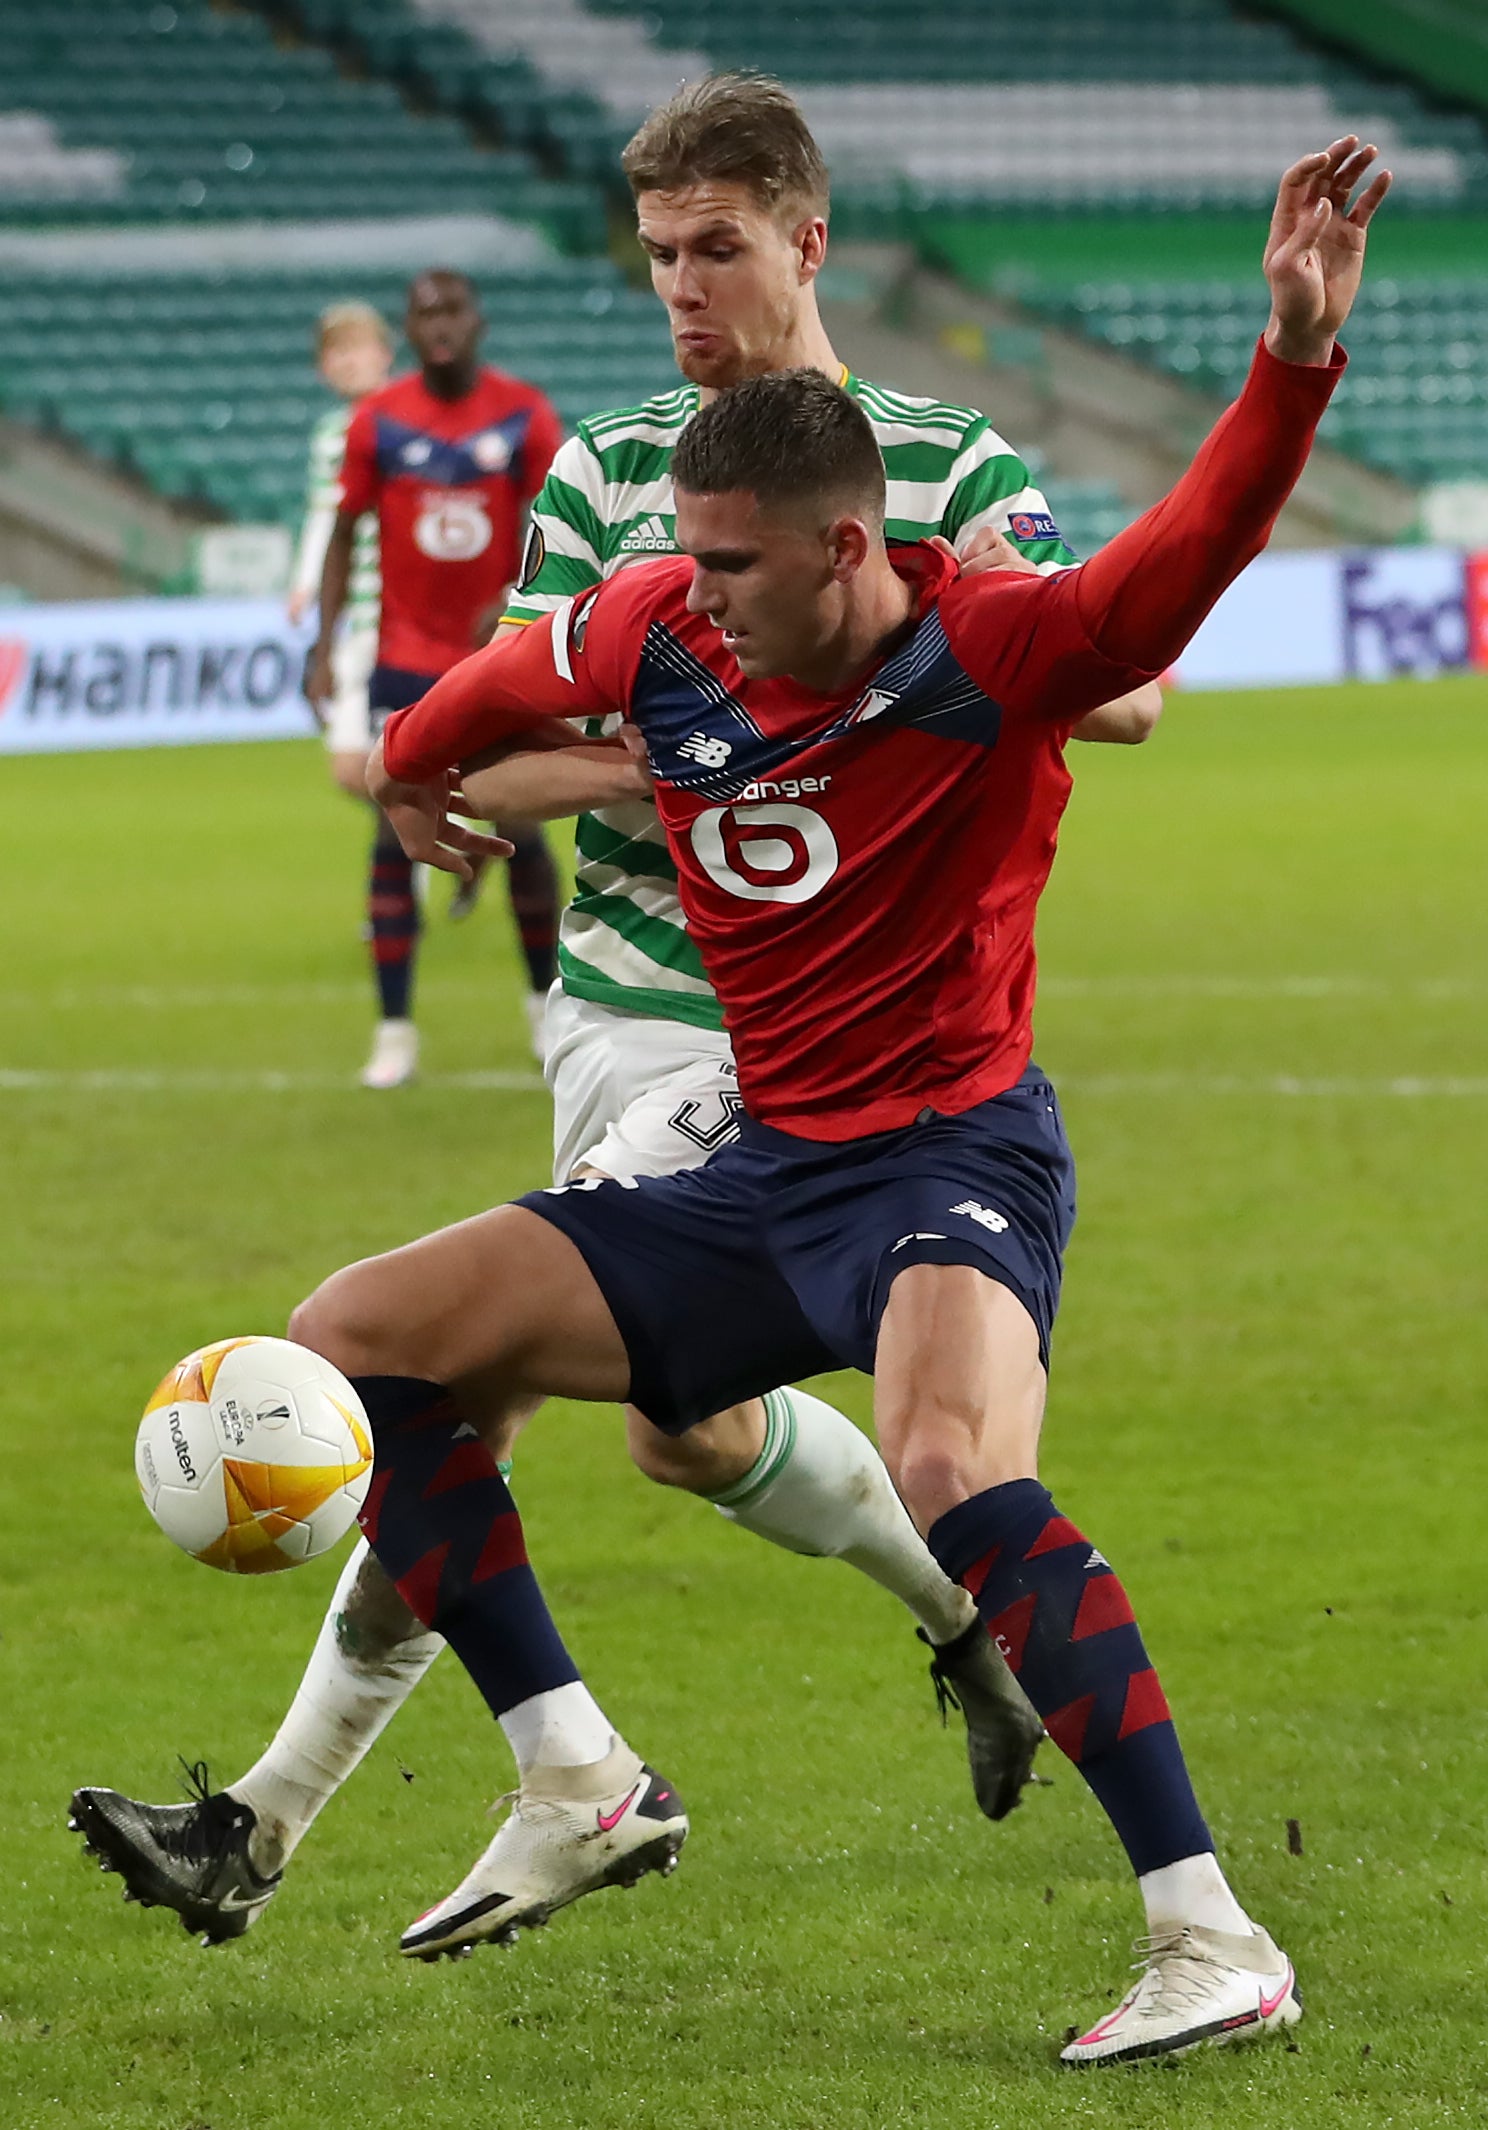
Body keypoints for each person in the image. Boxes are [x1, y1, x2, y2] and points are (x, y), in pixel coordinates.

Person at [288, 138, 1383, 2059]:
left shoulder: (987, 651)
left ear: (845, 548)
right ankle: (569, 1766)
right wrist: (405, 762)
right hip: (755, 1174)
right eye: (680, 562)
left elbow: (1179, 568)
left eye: (728, 566)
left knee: (957, 1471)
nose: (689, 602)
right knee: (356, 1338)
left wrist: (1290, 357)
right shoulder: (659, 624)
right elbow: (488, 689)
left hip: (943, 1163)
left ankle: (1210, 1937)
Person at [67, 76, 1157, 1952]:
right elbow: (509, 750)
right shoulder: (612, 470)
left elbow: (1109, 693)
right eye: (655, 253)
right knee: (685, 1435)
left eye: (712, 248)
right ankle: (953, 1611)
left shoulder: (946, 459)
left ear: (804, 242)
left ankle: (330, 1813)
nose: (678, 288)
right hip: (612, 1004)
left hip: (782, 1033)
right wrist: (714, 754)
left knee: (440, 1380)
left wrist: (757, 744)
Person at [308, 268, 565, 1087]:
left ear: (477, 320)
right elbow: (344, 533)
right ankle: (394, 1030)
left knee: (521, 829)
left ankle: (544, 1013)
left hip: (497, 659)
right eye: (425, 314)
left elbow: (560, 527)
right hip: (405, 660)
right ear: (410, 333)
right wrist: (323, 643)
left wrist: (520, 599)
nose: (441, 324)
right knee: (394, 825)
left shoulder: (523, 412)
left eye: (453, 309)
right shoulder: (377, 422)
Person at [287, 303, 392, 805]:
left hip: (405, 616)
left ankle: (425, 859)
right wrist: (305, 582)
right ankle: (448, 840)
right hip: (362, 616)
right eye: (336, 353)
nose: (348, 362)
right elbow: (325, 513)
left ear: (384, 355)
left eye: (357, 348)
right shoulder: (332, 433)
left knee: (387, 763)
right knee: (357, 766)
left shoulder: (407, 418)